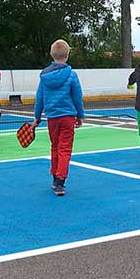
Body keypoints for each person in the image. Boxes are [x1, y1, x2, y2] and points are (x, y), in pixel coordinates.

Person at [32, 39, 85, 196]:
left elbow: (39, 98)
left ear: (51, 54)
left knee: (55, 146)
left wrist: (36, 117)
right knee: (65, 148)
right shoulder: (72, 75)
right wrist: (80, 115)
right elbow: (77, 97)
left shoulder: (44, 76)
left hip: (52, 117)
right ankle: (60, 181)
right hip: (68, 116)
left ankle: (55, 177)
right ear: (67, 55)